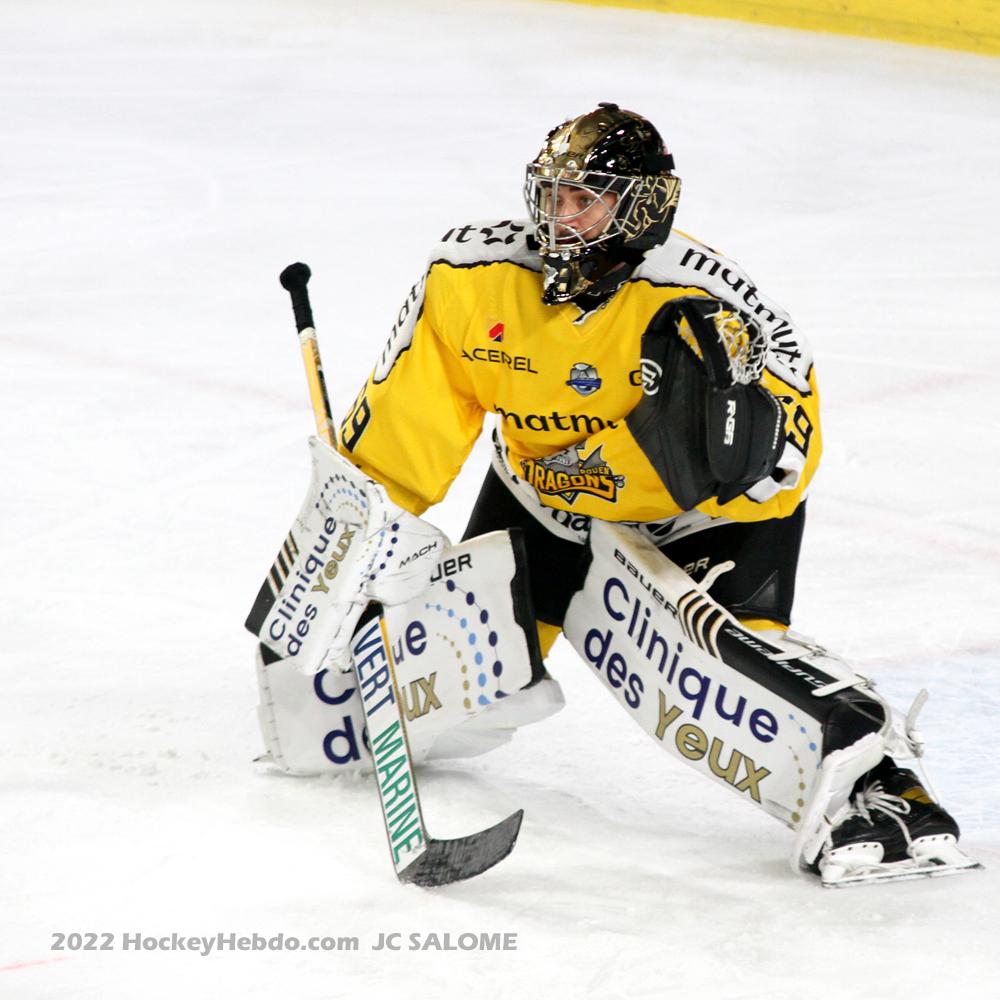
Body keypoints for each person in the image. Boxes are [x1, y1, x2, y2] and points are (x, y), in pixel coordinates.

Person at [335, 103, 969, 883]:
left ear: (639, 207)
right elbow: (401, 434)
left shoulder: (707, 303)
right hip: (541, 505)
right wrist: (365, 542)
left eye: (585, 199)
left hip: (696, 523)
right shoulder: (473, 280)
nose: (560, 220)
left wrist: (728, 451)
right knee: (440, 693)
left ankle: (881, 785)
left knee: (714, 687)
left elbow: (786, 454)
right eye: (552, 196)